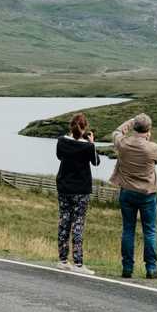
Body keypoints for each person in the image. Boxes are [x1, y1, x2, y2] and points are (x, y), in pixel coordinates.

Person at [109, 113, 157, 279]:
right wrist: (147, 138)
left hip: (127, 192)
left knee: (128, 230)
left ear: (134, 127)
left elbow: (116, 132)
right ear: (149, 129)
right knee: (150, 231)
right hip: (147, 194)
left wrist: (130, 121)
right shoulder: (153, 148)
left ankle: (127, 268)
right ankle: (151, 269)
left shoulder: (123, 143)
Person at [55, 112, 99, 275]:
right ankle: (78, 263)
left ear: (71, 126)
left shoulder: (61, 141)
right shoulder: (87, 147)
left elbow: (59, 156)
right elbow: (96, 162)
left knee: (64, 222)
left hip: (64, 187)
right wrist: (92, 143)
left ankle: (62, 260)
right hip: (81, 189)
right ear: (84, 128)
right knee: (78, 224)